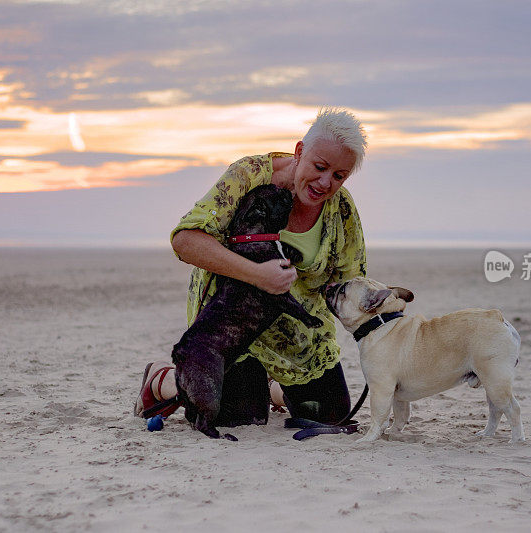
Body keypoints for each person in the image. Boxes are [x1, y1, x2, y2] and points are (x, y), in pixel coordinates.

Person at [135, 107, 367, 426]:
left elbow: (350, 281)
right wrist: (258, 275)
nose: (326, 182)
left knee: (331, 417)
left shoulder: (341, 210)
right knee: (238, 417)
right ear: (300, 151)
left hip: (295, 332)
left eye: (339, 175)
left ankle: (272, 387)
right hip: (232, 322)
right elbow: (185, 239)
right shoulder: (248, 175)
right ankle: (162, 379)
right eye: (320, 166)